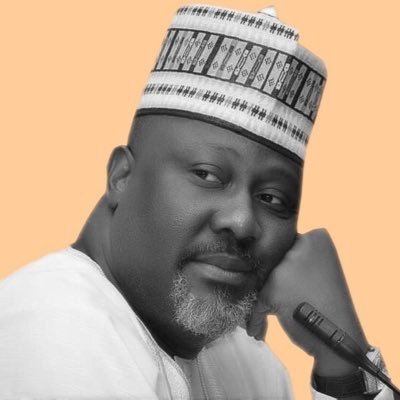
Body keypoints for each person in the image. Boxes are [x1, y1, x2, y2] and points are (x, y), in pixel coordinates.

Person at [0, 4, 397, 400]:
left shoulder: (252, 366)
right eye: (207, 174)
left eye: (272, 198)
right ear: (122, 176)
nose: (242, 221)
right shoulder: (56, 325)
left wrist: (341, 358)